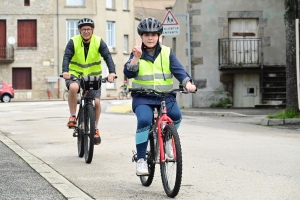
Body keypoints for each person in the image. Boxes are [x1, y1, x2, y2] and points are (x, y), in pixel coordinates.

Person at [123, 17, 196, 175]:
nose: (150, 37)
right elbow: (128, 73)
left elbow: (178, 70)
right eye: (147, 34)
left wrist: (187, 82)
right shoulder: (136, 52)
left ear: (159, 36)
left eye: (154, 34)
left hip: (165, 96)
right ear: (141, 36)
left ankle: (167, 139)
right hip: (143, 97)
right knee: (144, 120)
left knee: (176, 116)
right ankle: (141, 160)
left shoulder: (167, 52)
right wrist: (136, 57)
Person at [62, 18, 116, 145]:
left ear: (92, 30)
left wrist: (112, 72)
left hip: (93, 77)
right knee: (74, 88)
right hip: (76, 75)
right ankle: (73, 115)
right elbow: (66, 57)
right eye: (84, 29)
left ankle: (95, 128)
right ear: (80, 31)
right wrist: (65, 71)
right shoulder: (73, 42)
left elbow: (108, 56)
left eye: (89, 29)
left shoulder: (98, 41)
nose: (86, 31)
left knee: (96, 102)